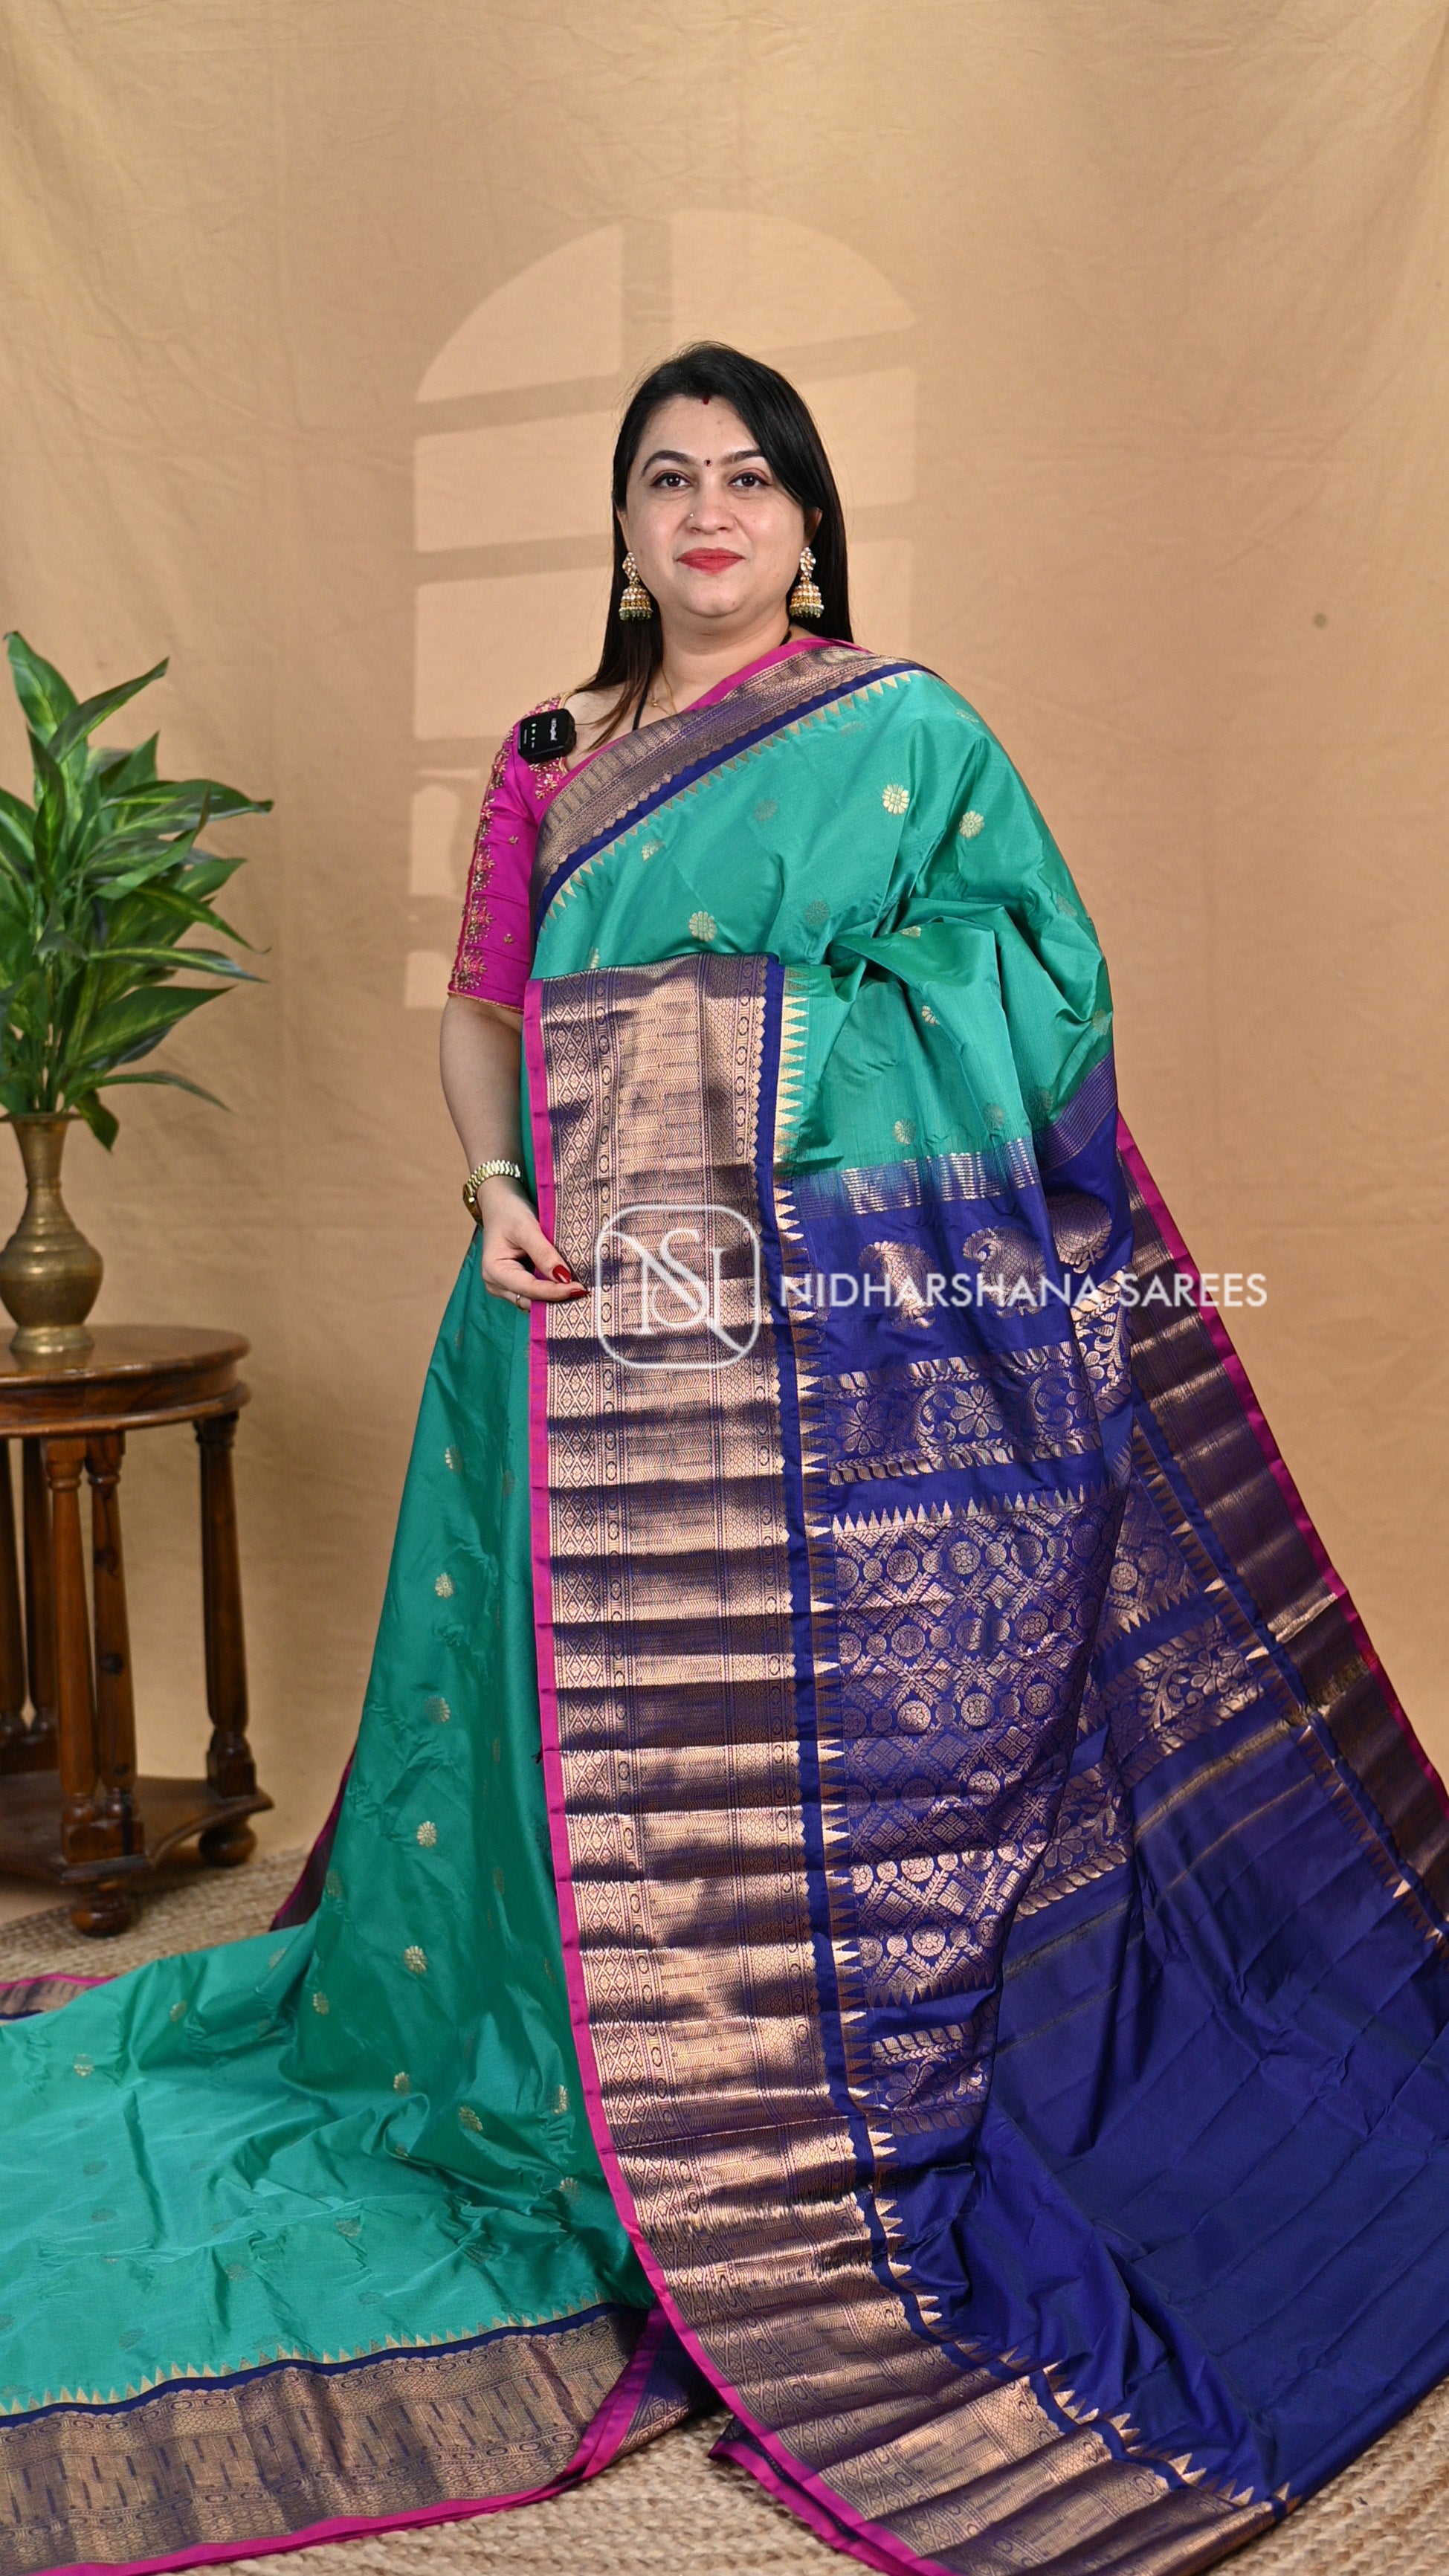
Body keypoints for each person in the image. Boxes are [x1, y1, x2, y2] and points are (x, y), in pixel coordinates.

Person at [0, 343, 1445, 2576]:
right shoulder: (551, 761)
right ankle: (570, 2083)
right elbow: (489, 1012)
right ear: (619, 523)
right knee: (548, 1753)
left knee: (793, 1752)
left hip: (828, 1361)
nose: (706, 512)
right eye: (667, 477)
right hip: (565, 1332)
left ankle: (763, 2091)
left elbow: (1034, 988)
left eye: (750, 479)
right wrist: (496, 1183)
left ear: (806, 521)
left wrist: (726, 1045)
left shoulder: (904, 733)